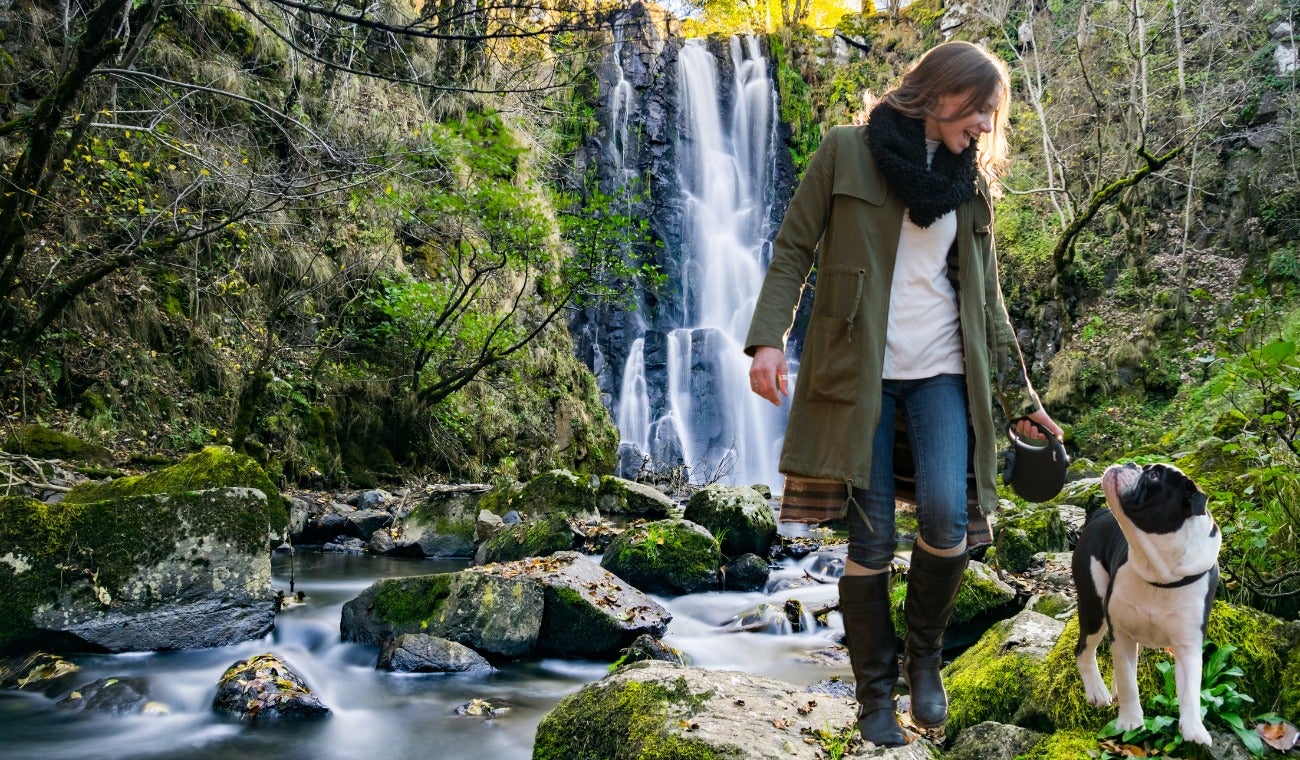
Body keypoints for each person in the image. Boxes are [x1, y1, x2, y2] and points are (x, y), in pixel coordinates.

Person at [744, 41, 1062, 747]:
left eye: (992, 115)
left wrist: (1022, 399)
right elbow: (794, 248)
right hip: (858, 378)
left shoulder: (970, 183)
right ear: (940, 92)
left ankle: (926, 659)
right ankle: (873, 697)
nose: (985, 125)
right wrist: (768, 338)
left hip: (945, 373)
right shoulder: (844, 151)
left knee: (949, 519)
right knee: (872, 537)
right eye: (978, 109)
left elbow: (990, 303)